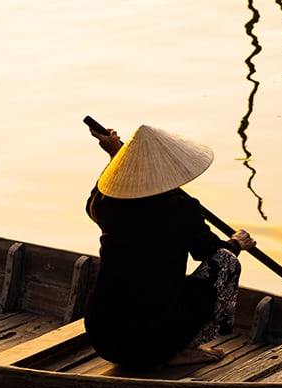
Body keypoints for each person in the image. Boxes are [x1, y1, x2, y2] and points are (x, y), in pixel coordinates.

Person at [85, 124, 257, 369]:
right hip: (152, 343)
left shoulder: (106, 203)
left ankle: (171, 345)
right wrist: (237, 243)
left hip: (105, 338)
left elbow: (101, 193)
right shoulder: (181, 208)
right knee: (227, 259)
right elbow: (207, 250)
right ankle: (176, 350)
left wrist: (115, 156)